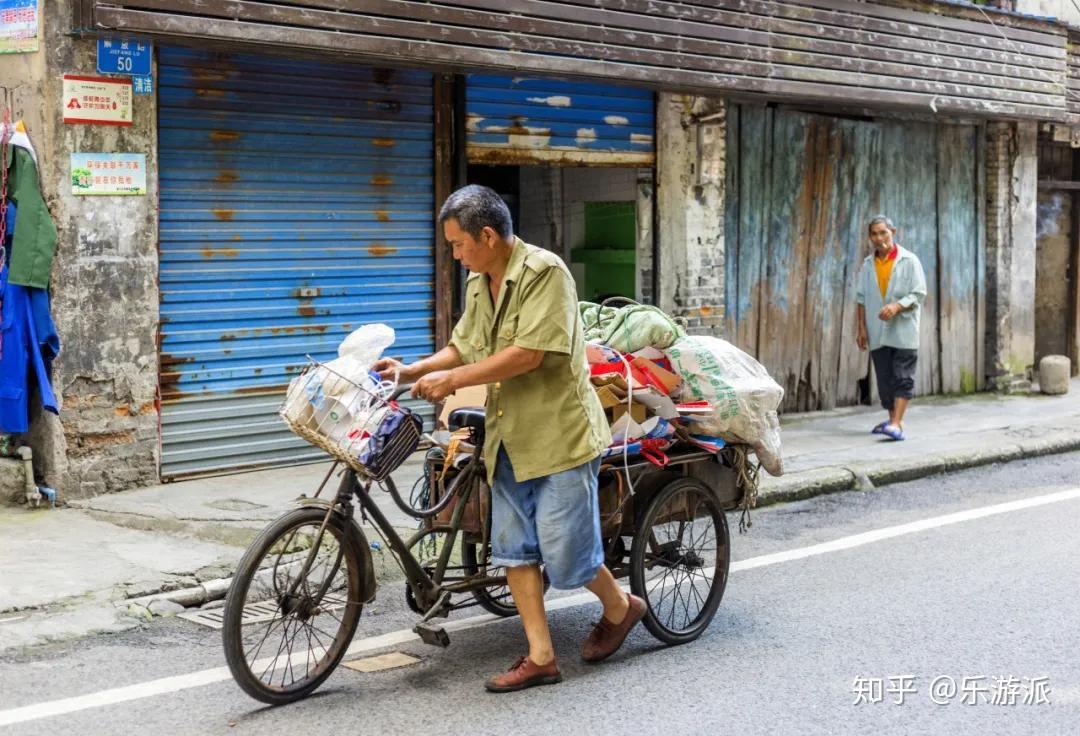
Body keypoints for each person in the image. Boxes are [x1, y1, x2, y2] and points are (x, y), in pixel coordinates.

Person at [374, 185, 645, 693]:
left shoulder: (545, 273)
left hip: (559, 434)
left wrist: (452, 382)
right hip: (508, 436)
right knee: (514, 550)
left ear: (488, 235)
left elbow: (529, 355)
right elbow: (464, 344)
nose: (455, 255)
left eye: (458, 244)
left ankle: (621, 606)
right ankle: (542, 657)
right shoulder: (482, 281)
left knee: (567, 558)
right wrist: (411, 372)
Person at [855, 215, 927, 441]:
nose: (879, 238)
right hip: (877, 330)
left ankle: (896, 423)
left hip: (904, 329)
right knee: (885, 378)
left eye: (883, 233)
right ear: (870, 237)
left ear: (893, 232)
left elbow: (919, 293)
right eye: (874, 234)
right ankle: (894, 420)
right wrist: (861, 329)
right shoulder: (868, 264)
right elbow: (861, 299)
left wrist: (897, 306)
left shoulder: (909, 260)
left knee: (903, 376)